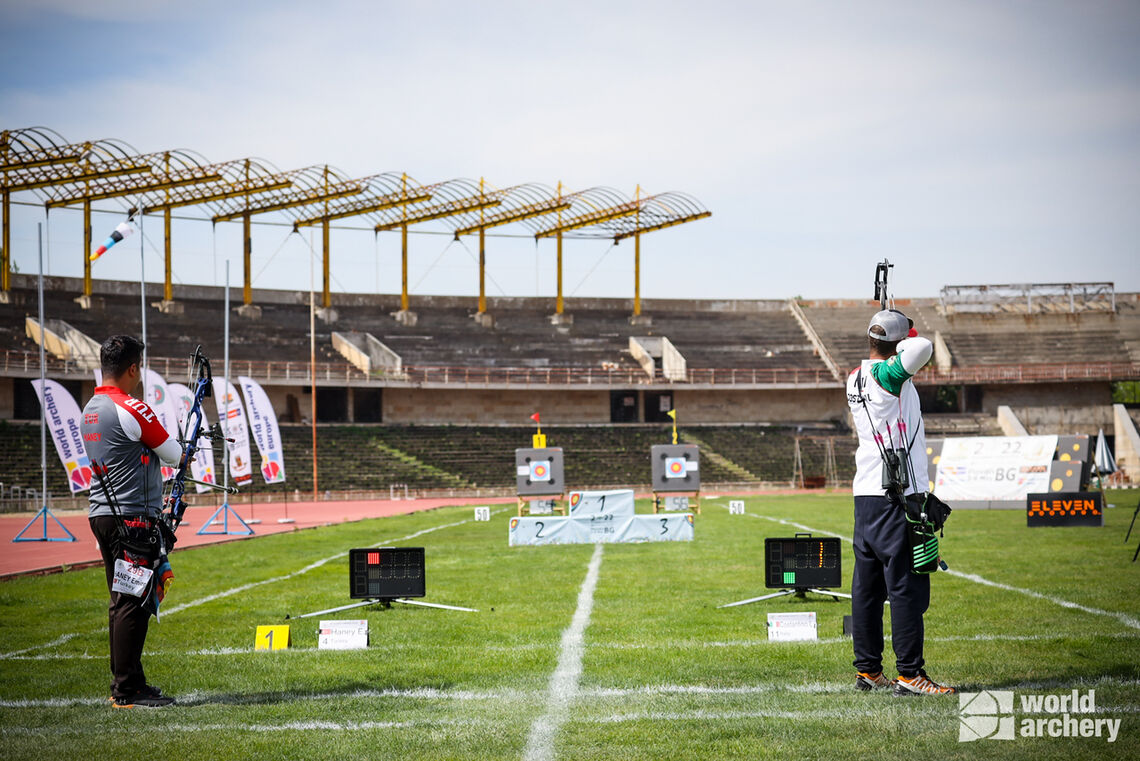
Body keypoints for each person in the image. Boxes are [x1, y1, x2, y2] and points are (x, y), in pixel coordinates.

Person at [845, 309, 956, 696]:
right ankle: (910, 674)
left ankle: (869, 671)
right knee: (906, 587)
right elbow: (921, 347)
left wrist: (894, 331)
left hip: (867, 498)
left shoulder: (855, 376)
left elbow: (905, 352)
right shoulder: (886, 376)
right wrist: (908, 331)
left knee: (868, 590)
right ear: (896, 344)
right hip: (896, 498)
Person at [82, 335, 181, 708]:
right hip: (131, 519)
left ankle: (130, 680)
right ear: (133, 368)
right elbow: (172, 453)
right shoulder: (131, 407)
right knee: (131, 601)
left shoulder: (90, 408)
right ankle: (126, 689)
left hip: (102, 514)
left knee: (122, 599)